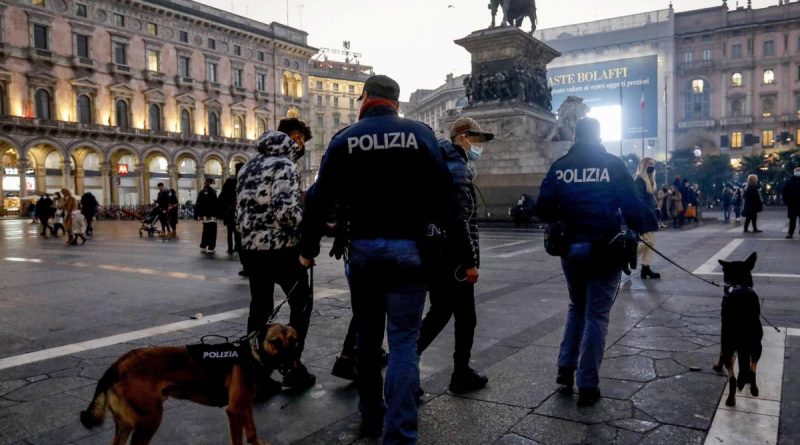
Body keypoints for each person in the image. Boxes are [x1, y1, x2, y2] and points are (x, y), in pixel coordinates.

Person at [299, 74, 452, 442]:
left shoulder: (345, 138)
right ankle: (399, 433)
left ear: (365, 98)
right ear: (396, 102)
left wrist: (307, 249)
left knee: (368, 340)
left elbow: (319, 197)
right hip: (410, 248)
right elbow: (445, 192)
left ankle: (371, 416)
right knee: (403, 341)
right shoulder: (420, 134)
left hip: (364, 249)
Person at [535, 118, 644, 407]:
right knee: (596, 314)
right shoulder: (612, 164)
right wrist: (644, 224)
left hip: (571, 249)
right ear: (598, 135)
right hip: (605, 248)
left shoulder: (561, 166)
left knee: (577, 306)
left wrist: (565, 215)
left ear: (574, 135)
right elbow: (633, 206)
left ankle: (565, 368)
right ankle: (587, 383)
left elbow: (542, 208)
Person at [237, 118, 317, 391]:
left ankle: (254, 372)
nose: (302, 145)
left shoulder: (248, 164)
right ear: (294, 136)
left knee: (259, 306)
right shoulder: (284, 164)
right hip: (281, 249)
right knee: (301, 304)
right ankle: (292, 367)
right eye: (302, 139)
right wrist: (306, 221)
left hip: (252, 250)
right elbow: (286, 213)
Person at [417, 117, 492, 393]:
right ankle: (458, 373)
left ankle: (415, 361)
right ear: (463, 137)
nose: (479, 146)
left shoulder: (440, 164)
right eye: (477, 140)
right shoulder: (458, 169)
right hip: (455, 259)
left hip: (438, 253)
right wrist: (470, 262)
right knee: (458, 316)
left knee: (443, 312)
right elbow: (460, 220)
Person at [634, 157, 661, 279]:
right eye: (650, 164)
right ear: (644, 165)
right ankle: (627, 256)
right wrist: (647, 212)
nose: (652, 166)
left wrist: (655, 210)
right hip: (644, 216)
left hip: (650, 215)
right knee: (647, 242)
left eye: (653, 164)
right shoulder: (639, 179)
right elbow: (638, 200)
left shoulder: (650, 180)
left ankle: (646, 268)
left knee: (651, 243)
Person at [219, 163, 244, 254]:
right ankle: (237, 246)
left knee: (230, 231)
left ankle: (231, 248)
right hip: (239, 211)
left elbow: (222, 197)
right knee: (238, 231)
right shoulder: (244, 181)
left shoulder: (230, 181)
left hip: (230, 211)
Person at [195, 178, 219, 253]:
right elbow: (216, 204)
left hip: (204, 216)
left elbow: (197, 204)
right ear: (210, 183)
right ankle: (211, 248)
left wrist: (197, 214)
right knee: (212, 232)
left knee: (205, 230)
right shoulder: (213, 192)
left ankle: (203, 246)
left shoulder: (201, 192)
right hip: (212, 215)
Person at [783, 167, 800, 239]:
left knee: (793, 220)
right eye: (797, 171)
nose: (798, 172)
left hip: (793, 204)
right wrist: (787, 202)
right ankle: (790, 233)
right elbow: (784, 192)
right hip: (792, 204)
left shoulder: (789, 181)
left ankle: (790, 233)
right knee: (792, 220)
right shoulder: (789, 181)